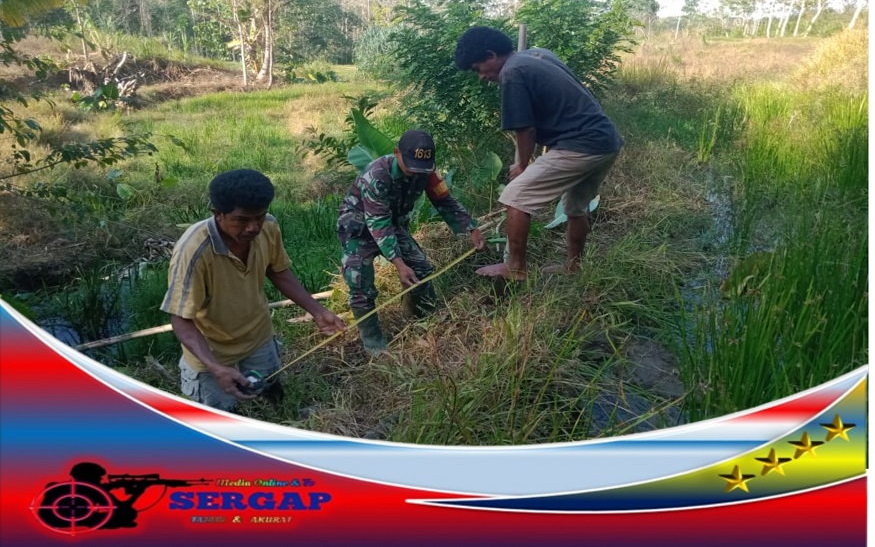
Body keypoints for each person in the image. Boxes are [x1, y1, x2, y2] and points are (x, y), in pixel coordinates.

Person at [161, 168, 345, 412]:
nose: (253, 227)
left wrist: (318, 311)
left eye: (259, 216)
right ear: (218, 214)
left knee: (271, 397)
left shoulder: (268, 227)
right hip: (213, 352)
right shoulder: (193, 251)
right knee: (220, 418)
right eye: (242, 219)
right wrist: (216, 368)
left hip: (259, 336)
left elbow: (278, 271)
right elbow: (181, 320)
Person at [454, 26, 624, 280]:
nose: (480, 77)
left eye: (478, 69)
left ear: (491, 55)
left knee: (515, 197)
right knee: (575, 207)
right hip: (605, 141)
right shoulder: (536, 55)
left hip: (580, 144)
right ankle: (574, 267)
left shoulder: (512, 72)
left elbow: (526, 129)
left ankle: (515, 268)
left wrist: (522, 165)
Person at [337, 130, 485, 354]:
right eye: (410, 166)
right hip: (359, 228)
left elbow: (444, 200)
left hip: (392, 223)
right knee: (360, 286)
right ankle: (374, 344)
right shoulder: (376, 175)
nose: (416, 173)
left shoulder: (426, 171)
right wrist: (399, 264)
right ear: (397, 153)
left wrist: (470, 228)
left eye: (421, 168)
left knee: (422, 270)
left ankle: (425, 321)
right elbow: (378, 223)